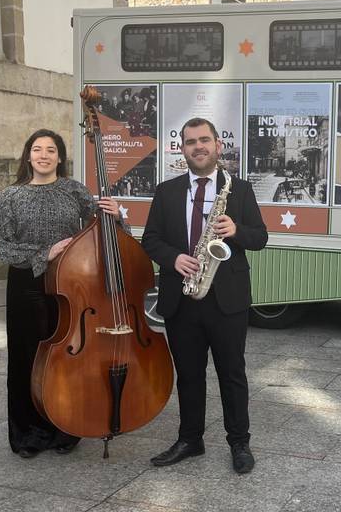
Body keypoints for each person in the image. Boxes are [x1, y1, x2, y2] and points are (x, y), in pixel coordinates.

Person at [0, 129, 122, 459]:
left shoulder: (74, 190)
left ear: (60, 157)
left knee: (67, 358)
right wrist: (43, 252)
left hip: (71, 285)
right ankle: (27, 433)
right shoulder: (9, 196)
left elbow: (101, 232)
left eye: (50, 150)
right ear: (28, 156)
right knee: (26, 359)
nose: (43, 155)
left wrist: (115, 217)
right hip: (26, 285)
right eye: (36, 149)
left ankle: (66, 427)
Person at [142, 117, 268, 474]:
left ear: (217, 145)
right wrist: (174, 258)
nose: (198, 146)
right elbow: (150, 239)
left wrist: (237, 229)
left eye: (204, 140)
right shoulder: (167, 191)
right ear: (182, 149)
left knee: (232, 374)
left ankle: (239, 443)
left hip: (226, 299)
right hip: (182, 298)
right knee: (189, 374)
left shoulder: (239, 190)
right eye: (190, 141)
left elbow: (260, 238)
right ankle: (190, 439)